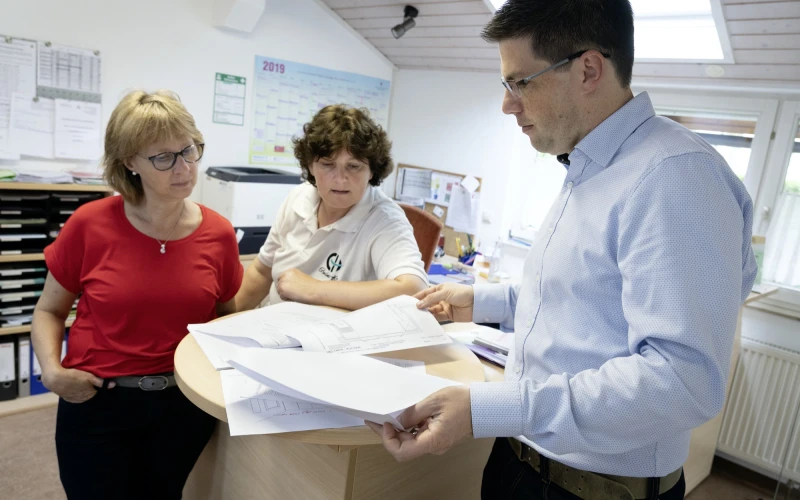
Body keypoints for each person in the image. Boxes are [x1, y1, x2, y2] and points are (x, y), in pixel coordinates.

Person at [366, 1, 757, 499]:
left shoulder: (674, 176)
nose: (507, 104)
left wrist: (489, 409)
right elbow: (580, 297)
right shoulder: (591, 164)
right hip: (520, 461)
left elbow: (682, 381)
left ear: (588, 69)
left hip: (590, 489)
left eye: (520, 82)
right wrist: (481, 301)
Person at [31, 90, 243, 499]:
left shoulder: (218, 233)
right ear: (130, 162)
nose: (184, 168)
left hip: (183, 405)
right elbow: (49, 311)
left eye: (189, 150)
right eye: (163, 157)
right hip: (98, 399)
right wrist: (52, 371)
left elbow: (223, 319)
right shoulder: (89, 224)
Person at [234, 104, 427, 311]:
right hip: (273, 323)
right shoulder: (299, 197)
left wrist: (314, 289)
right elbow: (262, 271)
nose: (340, 179)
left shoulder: (385, 219)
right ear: (310, 166)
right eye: (327, 164)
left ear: (372, 170)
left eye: (353, 166)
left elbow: (413, 290)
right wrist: (220, 320)